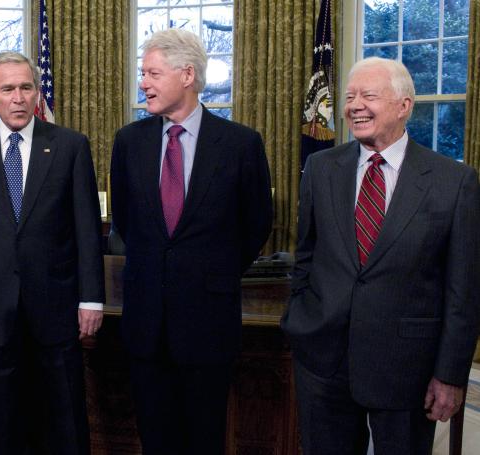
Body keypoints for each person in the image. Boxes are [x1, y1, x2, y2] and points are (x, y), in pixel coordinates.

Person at [281, 56, 480, 455]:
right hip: (324, 363)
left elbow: (465, 290)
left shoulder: (452, 181)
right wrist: (302, 320)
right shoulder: (320, 168)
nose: (355, 105)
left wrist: (450, 374)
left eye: (368, 95)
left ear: (404, 105)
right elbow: (306, 256)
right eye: (350, 96)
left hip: (407, 367)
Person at [110, 29, 273, 454]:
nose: (142, 82)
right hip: (146, 325)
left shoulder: (241, 144)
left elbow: (256, 225)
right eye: (142, 73)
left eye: (151, 73)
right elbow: (126, 221)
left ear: (186, 75)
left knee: (205, 438)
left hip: (208, 322)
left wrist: (210, 272)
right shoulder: (129, 142)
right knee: (155, 438)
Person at [0, 51, 104, 455]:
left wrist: (91, 298)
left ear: (36, 93)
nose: (18, 97)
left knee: (64, 415)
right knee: (1, 416)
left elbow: (87, 229)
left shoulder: (69, 146)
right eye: (7, 89)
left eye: (26, 87)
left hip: (56, 305)